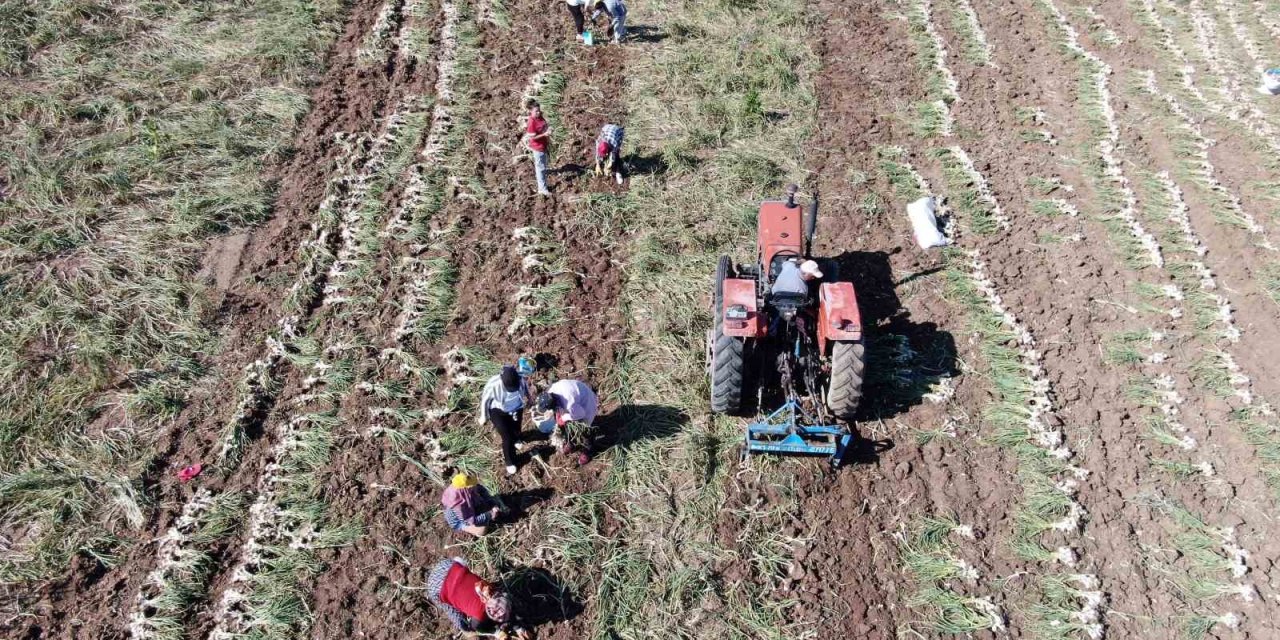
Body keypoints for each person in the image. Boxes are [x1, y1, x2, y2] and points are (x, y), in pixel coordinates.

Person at [427, 557, 529, 639]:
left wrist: (519, 628)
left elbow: (506, 611)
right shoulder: (478, 615)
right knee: (459, 619)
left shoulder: (490, 589)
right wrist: (496, 632)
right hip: (437, 588)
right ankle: (463, 628)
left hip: (450, 565)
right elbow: (476, 627)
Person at [479, 365, 532, 475]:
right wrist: (484, 416)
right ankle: (510, 461)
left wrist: (530, 400)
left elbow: (526, 389)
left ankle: (517, 439)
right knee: (507, 437)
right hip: (498, 411)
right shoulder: (493, 384)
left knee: (517, 427)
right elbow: (485, 400)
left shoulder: (520, 378)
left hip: (517, 407)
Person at [535, 379, 599, 464]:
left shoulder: (569, 403)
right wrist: (559, 415)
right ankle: (570, 442)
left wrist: (563, 418)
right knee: (566, 426)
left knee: (585, 430)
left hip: (586, 405)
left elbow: (581, 414)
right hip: (576, 399)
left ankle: (588, 450)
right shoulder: (551, 391)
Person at [441, 474, 506, 537]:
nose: (474, 487)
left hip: (471, 507)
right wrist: (490, 514)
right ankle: (465, 528)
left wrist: (489, 500)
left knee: (492, 501)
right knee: (482, 530)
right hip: (462, 521)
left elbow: (481, 489)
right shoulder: (458, 506)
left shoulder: (468, 488)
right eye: (471, 487)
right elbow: (470, 521)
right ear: (464, 490)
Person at [524, 101, 552, 196]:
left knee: (543, 165)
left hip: (544, 145)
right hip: (537, 148)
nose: (538, 113)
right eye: (536, 111)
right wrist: (544, 134)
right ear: (530, 111)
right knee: (540, 168)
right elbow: (532, 138)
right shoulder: (531, 122)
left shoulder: (539, 117)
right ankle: (542, 189)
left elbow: (544, 125)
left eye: (539, 110)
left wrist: (548, 129)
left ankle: (544, 177)